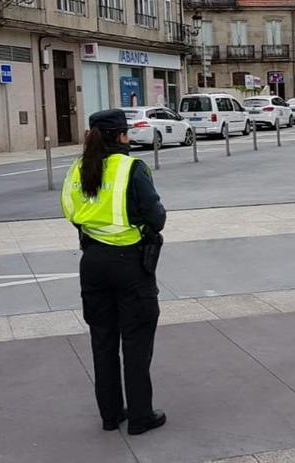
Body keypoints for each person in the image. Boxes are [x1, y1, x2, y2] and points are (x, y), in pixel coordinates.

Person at [61, 109, 167, 435]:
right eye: (127, 133)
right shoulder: (131, 168)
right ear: (120, 136)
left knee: (103, 341)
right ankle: (140, 417)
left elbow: (70, 211)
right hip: (130, 263)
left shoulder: (77, 169)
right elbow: (156, 216)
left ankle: (110, 415)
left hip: (92, 263)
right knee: (136, 341)